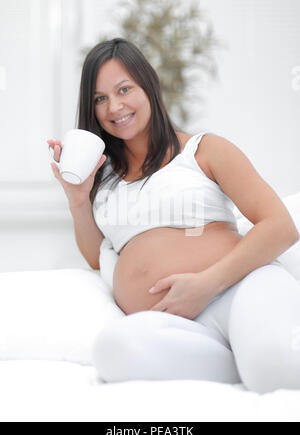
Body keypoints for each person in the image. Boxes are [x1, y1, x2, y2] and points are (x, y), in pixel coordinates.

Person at [48, 38, 300, 394]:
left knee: (274, 366)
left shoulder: (205, 150)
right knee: (114, 350)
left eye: (124, 89)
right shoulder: (101, 180)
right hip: (172, 321)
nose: (114, 106)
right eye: (100, 99)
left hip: (237, 289)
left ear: (149, 86)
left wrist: (206, 284)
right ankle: (240, 360)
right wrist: (77, 199)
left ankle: (257, 357)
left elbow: (280, 227)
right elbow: (94, 256)